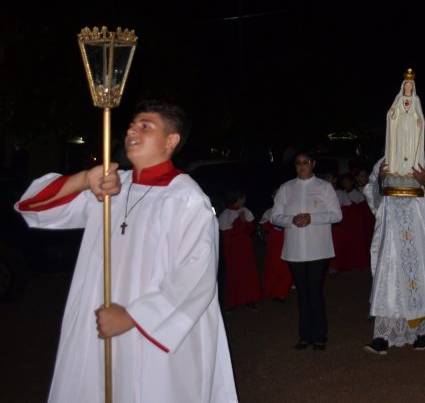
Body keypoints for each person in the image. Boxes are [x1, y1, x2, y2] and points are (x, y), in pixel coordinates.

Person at [14, 100, 237, 402]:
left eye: (145, 126)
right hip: (103, 318)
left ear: (171, 140)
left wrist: (133, 317)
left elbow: (196, 274)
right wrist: (84, 180)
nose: (132, 131)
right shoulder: (111, 187)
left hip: (153, 331)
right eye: (132, 125)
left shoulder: (187, 199)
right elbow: (33, 207)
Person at [362, 153, 425, 355]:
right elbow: (371, 193)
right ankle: (382, 337)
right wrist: (380, 181)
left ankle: (421, 332)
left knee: (419, 276)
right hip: (392, 230)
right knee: (389, 279)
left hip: (419, 227)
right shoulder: (384, 161)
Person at [270, 152, 342, 350]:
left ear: (313, 164)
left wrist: (312, 218)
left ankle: (320, 335)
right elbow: (275, 216)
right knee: (302, 292)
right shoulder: (286, 188)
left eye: (306, 162)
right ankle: (305, 336)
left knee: (315, 290)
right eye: (298, 163)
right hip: (295, 250)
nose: (302, 166)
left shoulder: (324, 187)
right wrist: (291, 220)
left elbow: (337, 215)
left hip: (318, 249)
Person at [218, 189, 261, 311]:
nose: (245, 200)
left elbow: (250, 230)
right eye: (243, 197)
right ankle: (234, 301)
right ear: (238, 199)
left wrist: (243, 222)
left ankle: (250, 299)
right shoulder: (225, 214)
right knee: (234, 274)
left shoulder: (245, 211)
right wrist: (241, 223)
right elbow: (225, 233)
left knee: (248, 272)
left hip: (245, 247)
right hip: (232, 248)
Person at [385, 69, 425, 178]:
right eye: (406, 85)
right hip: (401, 125)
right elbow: (394, 111)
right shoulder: (399, 98)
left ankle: (410, 169)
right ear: (403, 86)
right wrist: (392, 113)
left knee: (410, 147)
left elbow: (419, 114)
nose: (408, 87)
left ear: (413, 87)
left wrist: (419, 120)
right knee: (399, 146)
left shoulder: (416, 99)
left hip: (412, 127)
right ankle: (397, 168)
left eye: (410, 85)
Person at [259, 188, 291, 302]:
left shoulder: (290, 209)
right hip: (275, 240)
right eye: (276, 195)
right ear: (272, 197)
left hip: (288, 238)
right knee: (273, 265)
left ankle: (281, 293)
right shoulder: (269, 211)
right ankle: (271, 290)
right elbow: (265, 227)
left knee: (287, 266)